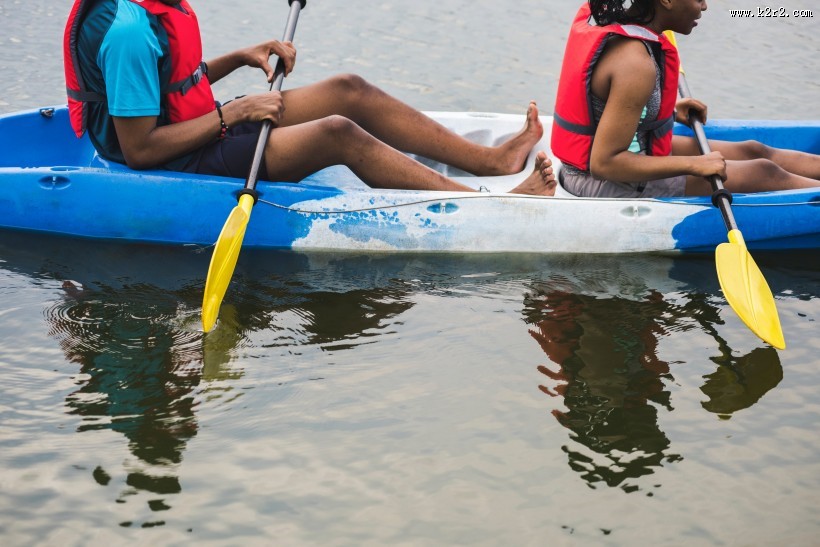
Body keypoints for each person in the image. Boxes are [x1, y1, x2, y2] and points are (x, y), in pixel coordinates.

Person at [64, 0, 555, 195]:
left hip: (199, 126)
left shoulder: (154, 9)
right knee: (336, 133)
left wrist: (239, 56)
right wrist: (234, 113)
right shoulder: (127, 31)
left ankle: (490, 161)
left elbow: (174, 87)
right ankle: (486, 205)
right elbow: (141, 150)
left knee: (349, 90)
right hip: (175, 157)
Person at [551, 0, 820, 198]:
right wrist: (694, 164)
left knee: (754, 151)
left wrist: (663, 110)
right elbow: (604, 163)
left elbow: (609, 104)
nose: (704, 6)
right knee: (763, 172)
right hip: (601, 183)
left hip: (626, 158)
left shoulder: (620, 24)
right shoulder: (634, 62)